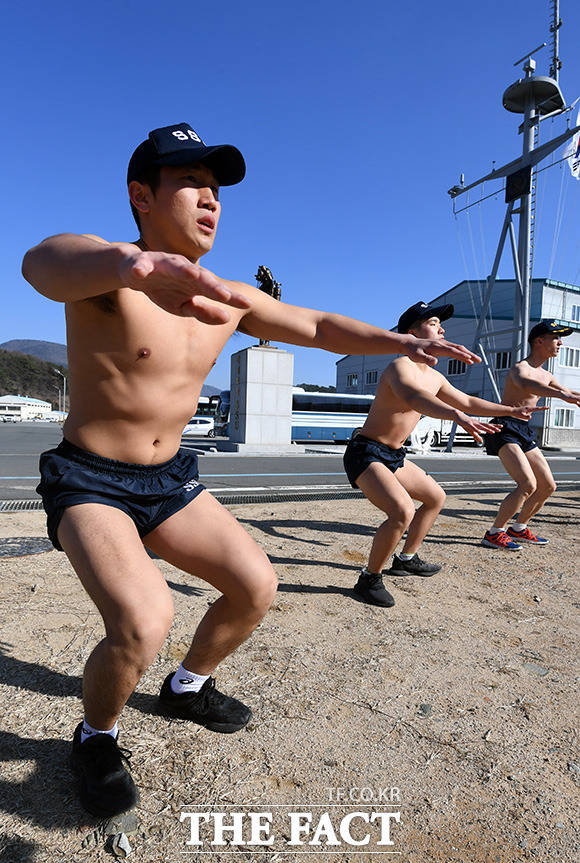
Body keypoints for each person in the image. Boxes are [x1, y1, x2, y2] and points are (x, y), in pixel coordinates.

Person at [22, 123, 481, 818]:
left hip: (170, 479)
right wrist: (127, 265)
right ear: (141, 196)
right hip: (91, 479)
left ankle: (185, 686)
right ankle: (96, 735)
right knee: (145, 617)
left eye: (217, 189)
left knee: (255, 585)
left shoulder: (228, 296)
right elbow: (39, 262)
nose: (211, 201)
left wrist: (399, 340)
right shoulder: (104, 274)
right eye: (191, 185)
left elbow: (320, 325)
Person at [343, 301, 543, 608]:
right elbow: (415, 398)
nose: (442, 328)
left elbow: (467, 401)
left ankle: (406, 558)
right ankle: (369, 577)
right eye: (434, 322)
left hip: (394, 455)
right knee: (401, 512)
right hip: (366, 452)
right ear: (412, 333)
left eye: (440, 323)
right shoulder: (400, 367)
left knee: (436, 497)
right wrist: (456, 416)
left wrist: (511, 410)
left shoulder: (434, 376)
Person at [481, 319, 580, 551]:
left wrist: (570, 395)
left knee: (548, 486)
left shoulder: (546, 374)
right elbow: (528, 386)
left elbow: (565, 391)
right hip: (505, 427)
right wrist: (560, 395)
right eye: (556, 338)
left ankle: (519, 527)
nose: (560, 342)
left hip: (524, 431)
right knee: (527, 484)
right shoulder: (520, 369)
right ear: (539, 341)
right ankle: (495, 533)